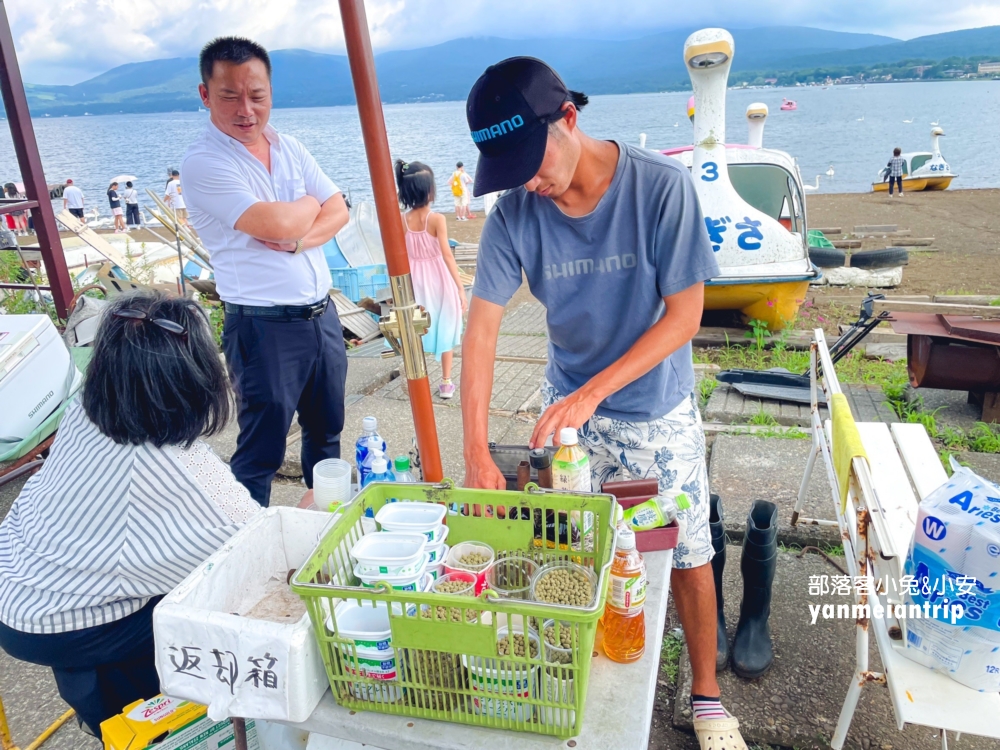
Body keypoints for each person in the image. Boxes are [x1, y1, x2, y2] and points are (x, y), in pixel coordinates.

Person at [460, 58, 746, 748]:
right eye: (512, 169)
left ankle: (706, 698)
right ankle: (585, 662)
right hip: (570, 414)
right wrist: (474, 450)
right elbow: (481, 329)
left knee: (684, 553)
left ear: (569, 118)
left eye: (533, 160)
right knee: (576, 546)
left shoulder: (661, 188)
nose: (530, 180)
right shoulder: (516, 213)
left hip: (655, 408)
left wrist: (594, 391)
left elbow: (683, 318)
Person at [0, 292, 264, 739]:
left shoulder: (92, 403)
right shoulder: (189, 480)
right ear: (199, 380)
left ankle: (104, 708)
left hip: (21, 573)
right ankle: (142, 720)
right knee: (218, 606)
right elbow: (254, 555)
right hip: (58, 619)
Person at [182, 36, 350, 507]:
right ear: (204, 95)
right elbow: (277, 220)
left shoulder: (290, 147)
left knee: (327, 436)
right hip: (262, 327)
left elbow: (339, 210)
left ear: (270, 92)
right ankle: (246, 549)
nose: (246, 109)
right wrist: (307, 205)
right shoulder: (204, 162)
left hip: (322, 318)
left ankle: (320, 530)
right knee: (261, 450)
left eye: (256, 96)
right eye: (229, 95)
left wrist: (298, 237)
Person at [395, 159, 467, 398]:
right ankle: (446, 382)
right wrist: (459, 288)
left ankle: (417, 378)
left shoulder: (401, 220)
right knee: (446, 322)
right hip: (439, 278)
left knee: (416, 328)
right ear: (429, 190)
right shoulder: (436, 219)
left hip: (414, 280)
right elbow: (447, 255)